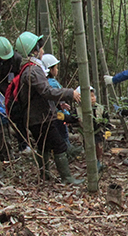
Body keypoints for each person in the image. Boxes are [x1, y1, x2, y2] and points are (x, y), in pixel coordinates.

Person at [15, 31, 83, 184]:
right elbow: (46, 91)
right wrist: (69, 93)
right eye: (40, 48)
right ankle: (66, 178)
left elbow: (40, 94)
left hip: (37, 117)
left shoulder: (29, 69)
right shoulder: (33, 70)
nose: (43, 51)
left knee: (43, 146)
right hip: (40, 118)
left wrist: (59, 103)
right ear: (33, 50)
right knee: (59, 145)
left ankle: (45, 175)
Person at [41, 54, 82, 161]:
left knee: (62, 135)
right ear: (50, 69)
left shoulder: (47, 82)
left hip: (57, 114)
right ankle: (67, 153)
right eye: (56, 67)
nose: (57, 70)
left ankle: (68, 151)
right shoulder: (51, 84)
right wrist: (66, 116)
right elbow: (53, 102)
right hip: (57, 116)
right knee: (62, 135)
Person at [0, 36, 31, 154]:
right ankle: (5, 149)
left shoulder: (16, 59)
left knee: (19, 117)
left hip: (14, 92)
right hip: (2, 94)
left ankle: (23, 144)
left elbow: (20, 76)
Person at [75, 86, 110, 172]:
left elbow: (107, 120)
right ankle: (91, 164)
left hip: (98, 131)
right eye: (89, 96)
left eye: (93, 96)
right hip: (85, 133)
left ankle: (97, 162)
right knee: (88, 149)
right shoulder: (78, 110)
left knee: (98, 147)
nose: (92, 98)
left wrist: (107, 130)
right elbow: (73, 119)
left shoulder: (100, 108)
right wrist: (63, 117)